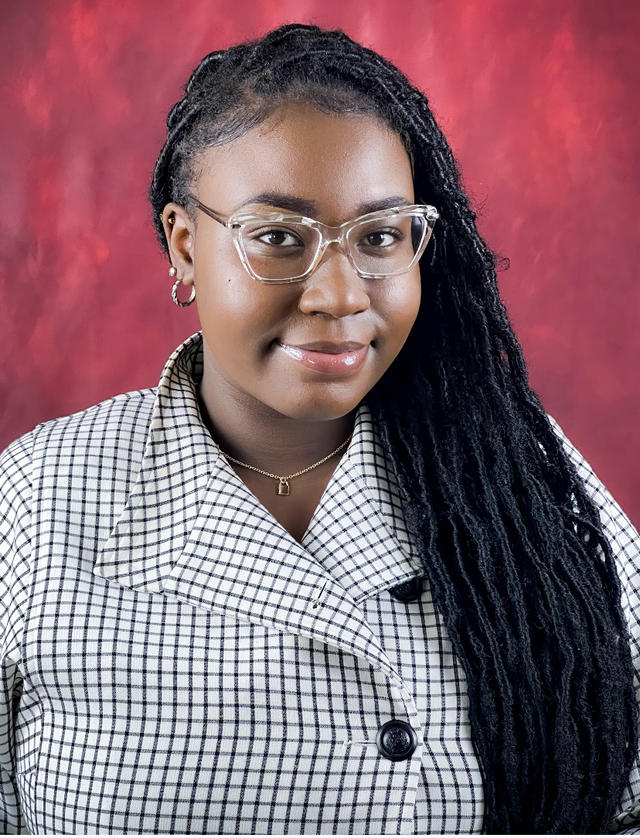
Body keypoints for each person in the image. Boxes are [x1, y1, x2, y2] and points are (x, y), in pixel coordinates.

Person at [1, 22, 639, 836]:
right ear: (185, 245)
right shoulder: (40, 497)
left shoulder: (520, 481)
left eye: (379, 237)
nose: (339, 294)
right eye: (277, 238)